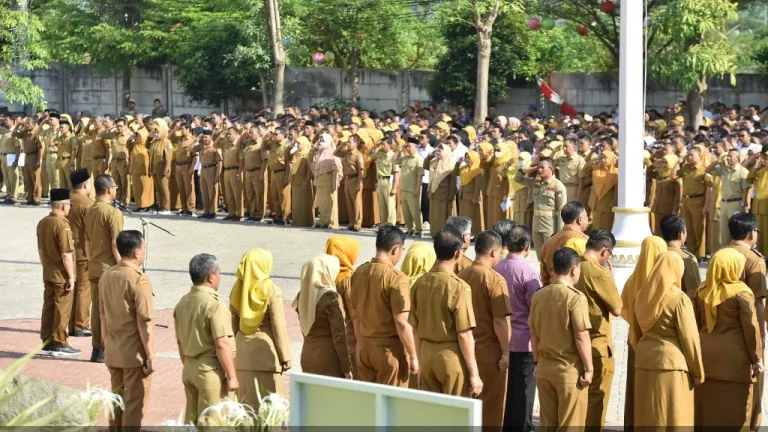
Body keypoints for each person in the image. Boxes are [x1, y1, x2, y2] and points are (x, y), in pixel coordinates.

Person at [632, 251, 704, 427]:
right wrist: (698, 371)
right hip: (672, 365)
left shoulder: (642, 295)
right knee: (673, 417)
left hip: (644, 362)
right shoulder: (679, 299)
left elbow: (635, 333)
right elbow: (689, 338)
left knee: (647, 416)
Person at [695, 248, 763, 429]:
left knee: (707, 411)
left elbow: (695, 323)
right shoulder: (742, 293)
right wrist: (757, 358)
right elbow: (751, 329)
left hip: (705, 358)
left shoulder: (703, 290)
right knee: (736, 414)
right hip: (735, 363)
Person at [410, 228, 482, 397]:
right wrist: (474, 373)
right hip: (451, 357)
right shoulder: (458, 287)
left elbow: (414, 328)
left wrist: (420, 363)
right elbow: (464, 334)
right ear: (458, 253)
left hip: (426, 353)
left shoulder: (420, 283)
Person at [529, 247, 593, 428]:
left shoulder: (538, 296)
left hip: (544, 369)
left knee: (548, 424)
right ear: (574, 270)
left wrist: (536, 362)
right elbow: (581, 336)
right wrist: (589, 369)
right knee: (570, 425)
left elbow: (533, 333)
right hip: (568, 371)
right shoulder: (575, 298)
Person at [348, 226, 418, 387]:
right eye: (401, 250)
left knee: (369, 402)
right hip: (388, 350)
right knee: (392, 405)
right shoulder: (396, 278)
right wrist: (414, 356)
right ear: (395, 249)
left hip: (364, 346)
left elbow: (355, 315)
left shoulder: (359, 272)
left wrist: (362, 343)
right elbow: (401, 322)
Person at [99, 230, 155, 428]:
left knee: (117, 401)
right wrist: (150, 355)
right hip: (134, 354)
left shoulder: (106, 276)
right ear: (137, 252)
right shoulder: (139, 279)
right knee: (133, 405)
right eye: (144, 248)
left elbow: (102, 315)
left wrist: (106, 345)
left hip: (114, 350)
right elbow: (145, 321)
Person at [175, 254, 237, 424]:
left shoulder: (182, 303)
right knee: (212, 422)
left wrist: (189, 363)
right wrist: (232, 376)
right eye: (219, 274)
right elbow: (222, 343)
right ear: (211, 277)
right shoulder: (214, 304)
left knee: (192, 422)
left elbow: (179, 341)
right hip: (209, 371)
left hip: (189, 367)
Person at [457, 231, 511, 429]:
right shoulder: (495, 280)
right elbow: (500, 322)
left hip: (465, 352)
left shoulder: (461, 275)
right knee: (490, 411)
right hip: (491, 354)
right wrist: (506, 352)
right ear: (494, 251)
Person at [228, 248, 291, 412]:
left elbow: (232, 324)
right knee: (270, 412)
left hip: (242, 355)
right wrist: (285, 357)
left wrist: (234, 350)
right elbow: (278, 325)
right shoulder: (271, 289)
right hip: (266, 355)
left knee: (245, 410)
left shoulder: (238, 289)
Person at [573, 229, 622, 428]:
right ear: (604, 251)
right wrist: (609, 277)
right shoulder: (599, 272)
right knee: (596, 398)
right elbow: (617, 308)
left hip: (573, 340)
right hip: (596, 343)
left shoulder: (573, 265)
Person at [725, 212, 767, 430]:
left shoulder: (720, 255)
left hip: (720, 327)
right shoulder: (755, 260)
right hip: (747, 327)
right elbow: (759, 302)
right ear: (752, 233)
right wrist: (760, 335)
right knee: (753, 383)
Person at [619, 235, 667, 428]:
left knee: (635, 388)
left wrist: (637, 325)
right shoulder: (663, 281)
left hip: (635, 340)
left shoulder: (633, 279)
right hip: (657, 343)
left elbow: (623, 308)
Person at [495, 225, 538, 431]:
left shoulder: (496, 267)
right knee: (524, 393)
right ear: (527, 246)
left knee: (507, 390)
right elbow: (536, 307)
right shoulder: (528, 272)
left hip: (501, 339)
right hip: (524, 342)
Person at [85, 174, 124, 363]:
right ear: (109, 190)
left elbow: (86, 241)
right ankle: (104, 348)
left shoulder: (91, 209)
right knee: (108, 310)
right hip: (109, 267)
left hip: (94, 266)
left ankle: (96, 348)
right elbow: (116, 243)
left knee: (96, 309)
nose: (116, 190)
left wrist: (92, 258)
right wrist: (122, 266)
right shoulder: (113, 213)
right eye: (114, 187)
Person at [295, 254, 353, 378]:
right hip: (328, 359)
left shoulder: (303, 295)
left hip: (307, 355)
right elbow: (339, 335)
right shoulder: (329, 297)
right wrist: (346, 367)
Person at [37, 188, 79, 356]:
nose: (70, 208)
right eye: (69, 205)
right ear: (63, 205)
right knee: (62, 308)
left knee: (48, 307)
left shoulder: (43, 223)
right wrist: (72, 276)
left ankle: (47, 341)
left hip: (48, 271)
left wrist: (46, 267)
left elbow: (41, 250)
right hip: (61, 274)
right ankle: (60, 343)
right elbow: (66, 254)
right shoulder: (62, 226)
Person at [514, 158, 567, 256]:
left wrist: (560, 232)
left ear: (551, 168)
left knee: (551, 255)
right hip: (536, 224)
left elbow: (561, 210)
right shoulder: (536, 183)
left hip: (550, 225)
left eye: (543, 167)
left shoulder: (558, 186)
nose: (539, 170)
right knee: (540, 256)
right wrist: (525, 171)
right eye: (538, 167)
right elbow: (517, 179)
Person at [324, 235, 360, 377]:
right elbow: (355, 315)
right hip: (350, 343)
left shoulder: (324, 275)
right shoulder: (348, 280)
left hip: (330, 344)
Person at [67, 169, 94, 337]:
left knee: (71, 286)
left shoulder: (66, 199)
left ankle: (70, 323)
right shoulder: (88, 203)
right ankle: (81, 324)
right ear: (85, 184)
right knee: (84, 288)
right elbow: (91, 231)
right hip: (84, 251)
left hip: (68, 250)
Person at [538, 201, 590, 285]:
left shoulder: (549, 242)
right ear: (579, 219)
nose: (588, 219)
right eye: (586, 216)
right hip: (574, 294)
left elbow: (544, 276)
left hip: (552, 290)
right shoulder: (584, 241)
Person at [709, 148, 751, 246]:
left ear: (738, 158)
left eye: (731, 156)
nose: (728, 158)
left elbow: (746, 190)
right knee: (724, 233)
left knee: (736, 232)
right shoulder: (724, 169)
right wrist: (717, 161)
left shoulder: (743, 172)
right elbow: (708, 170)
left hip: (736, 204)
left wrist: (743, 205)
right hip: (724, 204)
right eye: (727, 156)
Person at [660, 214, 702, 303]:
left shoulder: (658, 254)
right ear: (680, 235)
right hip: (679, 308)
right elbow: (693, 293)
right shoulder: (687, 259)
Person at [425, 144, 457, 236]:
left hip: (444, 194)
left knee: (443, 216)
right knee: (434, 215)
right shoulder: (434, 162)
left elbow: (452, 181)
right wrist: (430, 155)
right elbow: (425, 165)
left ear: (446, 152)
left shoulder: (451, 163)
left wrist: (451, 194)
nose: (438, 153)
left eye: (440, 151)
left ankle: (443, 234)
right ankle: (435, 233)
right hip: (433, 193)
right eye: (437, 151)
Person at [311, 133, 341, 229]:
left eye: (323, 140)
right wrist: (315, 148)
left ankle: (332, 222)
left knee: (331, 202)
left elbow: (337, 168)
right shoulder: (319, 152)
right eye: (320, 140)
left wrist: (335, 181)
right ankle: (323, 221)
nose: (321, 142)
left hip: (329, 180)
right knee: (322, 202)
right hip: (320, 180)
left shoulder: (333, 152)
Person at [335, 134, 364, 231]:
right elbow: (335, 153)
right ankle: (351, 222)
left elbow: (361, 171)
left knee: (357, 203)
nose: (348, 143)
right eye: (348, 141)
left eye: (350, 142)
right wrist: (342, 144)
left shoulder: (358, 155)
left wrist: (359, 183)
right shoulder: (346, 153)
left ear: (356, 143)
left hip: (355, 179)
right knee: (349, 202)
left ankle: (357, 223)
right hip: (347, 179)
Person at [397, 137, 425, 237]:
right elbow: (393, 161)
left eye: (409, 146)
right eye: (406, 146)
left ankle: (419, 230)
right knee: (406, 211)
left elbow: (420, 175)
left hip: (413, 189)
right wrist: (399, 151)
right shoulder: (405, 158)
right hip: (404, 189)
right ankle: (410, 229)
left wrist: (417, 189)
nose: (407, 148)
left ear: (415, 147)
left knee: (415, 211)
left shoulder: (419, 159)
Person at [369, 137, 399, 226]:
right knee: (382, 205)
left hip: (389, 180)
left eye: (384, 144)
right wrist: (375, 145)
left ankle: (391, 225)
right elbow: (368, 153)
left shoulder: (393, 156)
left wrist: (394, 187)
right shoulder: (379, 154)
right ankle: (383, 224)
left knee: (390, 205)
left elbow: (396, 173)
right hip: (380, 180)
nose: (382, 146)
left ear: (389, 145)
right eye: (381, 144)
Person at [458, 150, 486, 236]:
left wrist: (475, 196)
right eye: (466, 157)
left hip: (471, 196)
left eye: (469, 157)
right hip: (463, 195)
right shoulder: (464, 168)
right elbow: (455, 173)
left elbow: (478, 185)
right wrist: (458, 163)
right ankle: (465, 233)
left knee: (472, 216)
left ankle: (474, 233)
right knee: (464, 216)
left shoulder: (477, 169)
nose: (467, 159)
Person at [267, 128, 291, 225]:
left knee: (284, 196)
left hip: (282, 172)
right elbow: (264, 145)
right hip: (273, 172)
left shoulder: (286, 146)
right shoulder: (273, 144)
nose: (274, 136)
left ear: (283, 134)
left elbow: (289, 163)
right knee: (275, 196)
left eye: (276, 134)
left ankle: (285, 217)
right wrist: (268, 135)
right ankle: (278, 216)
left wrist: (287, 177)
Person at [149, 118, 173, 215]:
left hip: (162, 170)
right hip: (155, 170)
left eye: (157, 132)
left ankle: (167, 208)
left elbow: (168, 158)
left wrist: (166, 170)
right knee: (158, 189)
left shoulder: (166, 142)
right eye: (154, 133)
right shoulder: (154, 142)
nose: (155, 134)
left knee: (164, 189)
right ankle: (161, 206)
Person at [289, 136, 314, 226]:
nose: (297, 145)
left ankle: (305, 222)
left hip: (303, 181)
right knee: (296, 203)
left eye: (299, 143)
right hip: (295, 181)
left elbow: (309, 170)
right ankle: (296, 221)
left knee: (304, 203)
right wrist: (292, 145)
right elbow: (287, 155)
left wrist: (307, 181)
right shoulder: (296, 154)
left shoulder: (307, 154)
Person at [111, 117, 133, 205]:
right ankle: (117, 200)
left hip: (124, 161)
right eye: (117, 126)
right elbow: (102, 134)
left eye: (121, 126)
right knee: (116, 183)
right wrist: (111, 127)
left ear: (126, 126)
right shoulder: (113, 134)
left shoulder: (130, 135)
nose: (119, 128)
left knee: (125, 183)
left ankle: (125, 202)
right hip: (114, 162)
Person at [0, 114, 22, 203]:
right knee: (6, 178)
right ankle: (9, 195)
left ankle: (14, 196)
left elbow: (18, 147)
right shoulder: (5, 132)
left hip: (11, 156)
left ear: (13, 121)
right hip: (3, 156)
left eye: (6, 120)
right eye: (4, 120)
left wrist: (17, 159)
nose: (5, 121)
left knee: (13, 177)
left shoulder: (15, 132)